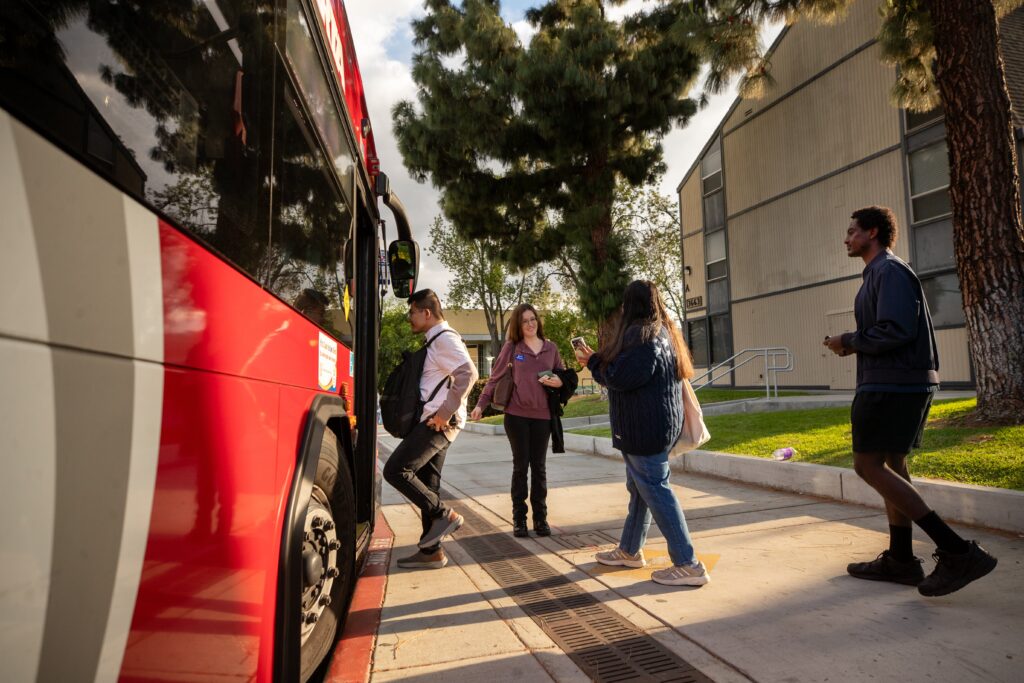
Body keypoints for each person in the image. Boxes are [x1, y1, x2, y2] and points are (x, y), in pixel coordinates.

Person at [825, 206, 997, 596]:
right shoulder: (879, 273)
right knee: (892, 464)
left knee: (867, 466)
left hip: (893, 384)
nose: (846, 238)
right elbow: (889, 329)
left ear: (872, 232)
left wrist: (848, 341)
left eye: (852, 231)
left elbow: (897, 329)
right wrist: (852, 343)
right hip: (895, 381)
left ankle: (957, 550)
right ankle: (901, 560)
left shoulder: (889, 271)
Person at [575, 281, 710, 587]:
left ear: (630, 305)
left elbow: (619, 377)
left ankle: (688, 564)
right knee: (641, 488)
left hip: (644, 429)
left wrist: (594, 361)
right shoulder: (665, 333)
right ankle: (629, 550)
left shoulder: (641, 336)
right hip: (661, 426)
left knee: (656, 490)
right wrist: (598, 360)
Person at [384, 289, 479, 569]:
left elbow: (468, 374)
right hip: (436, 422)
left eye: (412, 312)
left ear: (426, 313)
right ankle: (431, 552)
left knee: (395, 471)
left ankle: (444, 514)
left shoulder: (445, 339)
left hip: (437, 424)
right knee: (428, 485)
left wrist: (443, 413)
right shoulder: (436, 340)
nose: (409, 318)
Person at [471, 304, 566, 538]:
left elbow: (563, 376)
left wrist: (560, 382)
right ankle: (519, 519)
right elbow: (495, 379)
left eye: (533, 319)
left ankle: (541, 518)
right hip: (516, 417)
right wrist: (480, 404)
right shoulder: (513, 348)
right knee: (520, 467)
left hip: (543, 417)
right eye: (525, 321)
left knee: (540, 469)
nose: (531, 324)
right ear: (518, 325)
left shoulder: (551, 348)